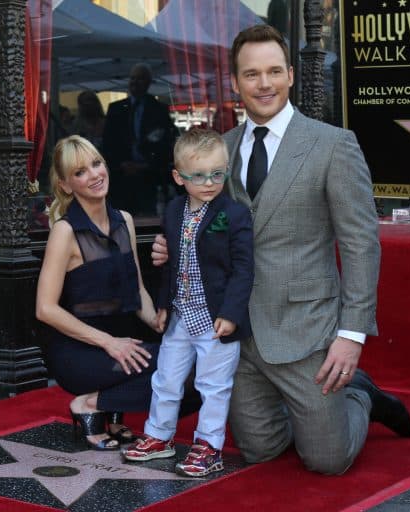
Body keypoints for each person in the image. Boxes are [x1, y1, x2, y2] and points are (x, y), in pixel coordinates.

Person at [152, 25, 410, 474]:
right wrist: (173, 246)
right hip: (235, 332)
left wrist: (351, 335)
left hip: (306, 329)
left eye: (274, 71)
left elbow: (359, 245)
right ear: (235, 82)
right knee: (260, 450)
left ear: (291, 75)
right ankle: (306, 416)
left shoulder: (333, 145)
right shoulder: (221, 149)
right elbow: (202, 221)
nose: (264, 83)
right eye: (251, 74)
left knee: (327, 461)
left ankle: (361, 396)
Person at [122, 128, 254, 477]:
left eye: (217, 173)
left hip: (215, 319)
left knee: (213, 385)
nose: (209, 182)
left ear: (227, 169)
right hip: (181, 314)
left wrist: (231, 313)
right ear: (178, 177)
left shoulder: (234, 214)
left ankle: (209, 446)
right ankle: (159, 436)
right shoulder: (174, 209)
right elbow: (170, 264)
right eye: (198, 176)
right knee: (165, 378)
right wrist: (164, 304)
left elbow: (244, 270)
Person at [36, 135, 162, 451]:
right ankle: (90, 404)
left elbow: (137, 290)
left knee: (191, 357)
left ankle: (108, 407)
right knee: (176, 363)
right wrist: (108, 342)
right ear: (66, 185)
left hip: (123, 343)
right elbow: (45, 309)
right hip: (80, 353)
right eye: (80, 172)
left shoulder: (126, 222)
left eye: (96, 164)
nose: (94, 175)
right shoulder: (65, 232)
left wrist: (159, 322)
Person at [103, 63, 177, 216]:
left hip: (148, 175)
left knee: (146, 218)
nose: (135, 82)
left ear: (148, 83)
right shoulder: (116, 108)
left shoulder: (158, 109)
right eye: (132, 78)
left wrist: (145, 165)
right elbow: (108, 142)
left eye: (140, 79)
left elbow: (165, 143)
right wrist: (121, 164)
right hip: (121, 177)